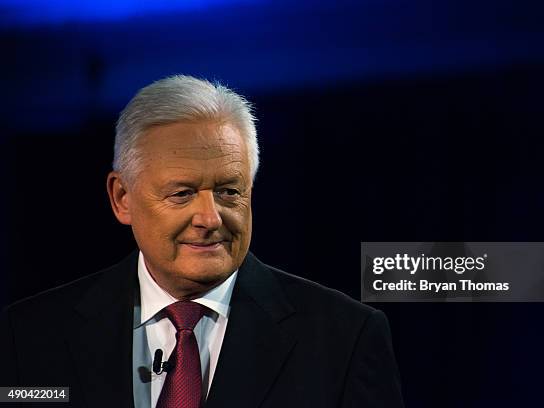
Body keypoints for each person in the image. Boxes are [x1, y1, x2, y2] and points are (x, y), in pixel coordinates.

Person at [0, 75, 404, 407]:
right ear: (122, 198)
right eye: (182, 194)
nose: (211, 219)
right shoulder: (29, 335)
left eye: (230, 191)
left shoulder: (345, 338)